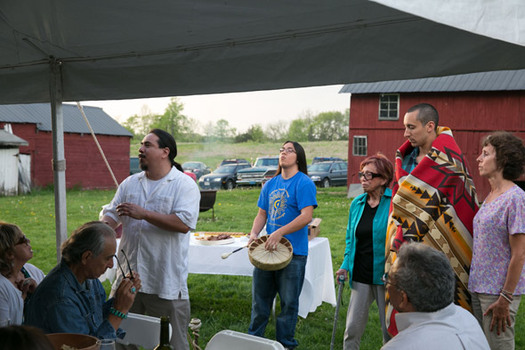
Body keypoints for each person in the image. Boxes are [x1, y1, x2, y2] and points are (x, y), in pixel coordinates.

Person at [385, 103, 479, 335]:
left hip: (444, 248)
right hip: (405, 245)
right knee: (406, 303)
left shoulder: (451, 160)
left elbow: (461, 208)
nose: (406, 134)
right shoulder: (404, 160)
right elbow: (399, 204)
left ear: (430, 126)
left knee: (441, 313)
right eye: (404, 128)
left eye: (411, 127)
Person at [102, 128, 200, 350]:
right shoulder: (130, 183)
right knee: (123, 341)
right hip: (128, 279)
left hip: (164, 280)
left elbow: (183, 224)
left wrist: (144, 213)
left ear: (165, 151)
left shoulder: (184, 185)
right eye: (141, 144)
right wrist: (101, 228)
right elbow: (112, 214)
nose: (140, 149)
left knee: (172, 343)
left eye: (147, 145)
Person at [247, 141, 317, 350]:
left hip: (293, 254)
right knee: (260, 303)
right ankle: (253, 342)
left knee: (288, 305)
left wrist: (279, 232)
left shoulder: (304, 183)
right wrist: (253, 233)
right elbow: (262, 213)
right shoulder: (271, 184)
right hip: (268, 252)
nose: (283, 153)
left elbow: (307, 217)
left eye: (289, 150)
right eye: (281, 150)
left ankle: (285, 345)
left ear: (299, 157)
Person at [24, 221, 141, 340]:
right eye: (108, 258)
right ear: (86, 257)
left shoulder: (87, 277)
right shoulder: (61, 298)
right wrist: (118, 312)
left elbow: (97, 318)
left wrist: (121, 298)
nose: (111, 265)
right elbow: (86, 347)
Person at [468, 131, 525, 349]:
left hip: (497, 294)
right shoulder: (491, 196)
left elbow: (519, 254)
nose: (479, 159)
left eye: (485, 154)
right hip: (478, 287)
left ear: (503, 159)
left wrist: (505, 299)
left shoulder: (516, 199)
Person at [381, 243, 489, 350]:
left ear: (403, 298)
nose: (386, 283)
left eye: (388, 279)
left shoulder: (399, 346)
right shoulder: (467, 317)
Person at [335, 153, 393, 349]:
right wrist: (344, 266)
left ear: (383, 179)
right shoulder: (357, 204)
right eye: (361, 174)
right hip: (360, 274)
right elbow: (351, 239)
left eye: (369, 175)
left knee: (390, 332)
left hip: (387, 276)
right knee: (352, 329)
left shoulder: (394, 203)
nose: (363, 179)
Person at [0, 222, 44, 325]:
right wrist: (22, 299)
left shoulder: (32, 271)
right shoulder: (2, 288)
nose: (28, 241)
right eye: (22, 240)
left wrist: (37, 292)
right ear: (9, 253)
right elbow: (5, 335)